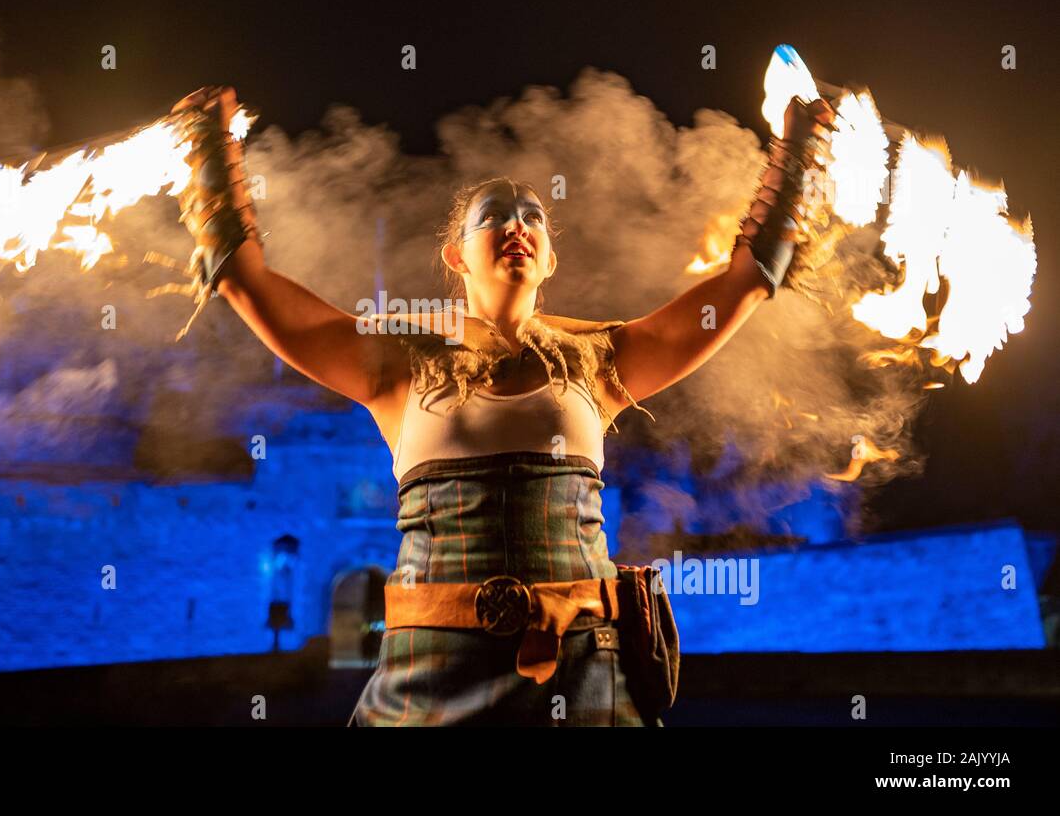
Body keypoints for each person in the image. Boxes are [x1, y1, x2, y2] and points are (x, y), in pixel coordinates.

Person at [171, 85, 835, 726]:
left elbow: (748, 280)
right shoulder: (394, 364)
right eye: (493, 216)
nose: (516, 225)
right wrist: (211, 152)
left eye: (533, 219)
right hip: (429, 682)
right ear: (456, 255)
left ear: (549, 258)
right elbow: (242, 277)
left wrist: (797, 152)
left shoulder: (603, 362)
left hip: (582, 682)